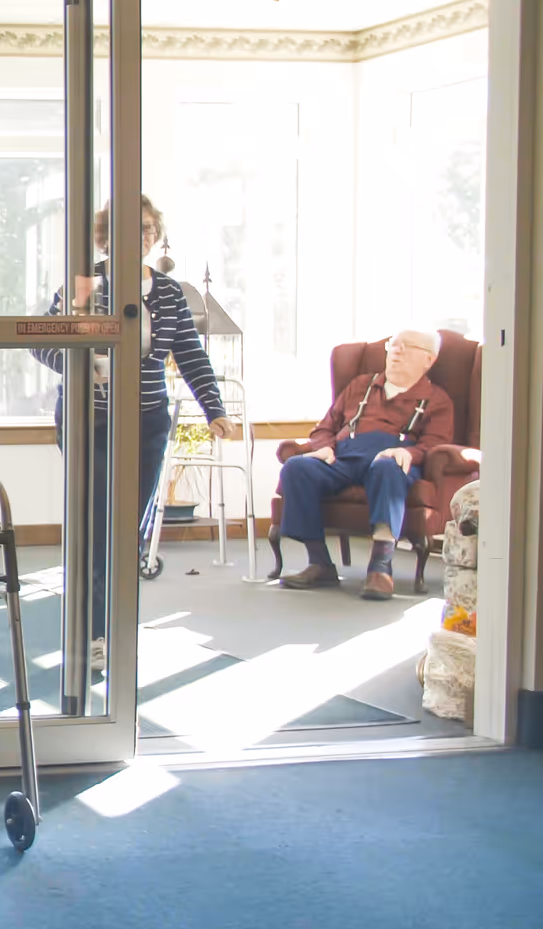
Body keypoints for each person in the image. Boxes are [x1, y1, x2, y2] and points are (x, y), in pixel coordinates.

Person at [34, 197, 239, 670]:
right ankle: (94, 633)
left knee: (130, 530)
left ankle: (116, 626)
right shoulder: (86, 283)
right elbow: (44, 342)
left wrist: (215, 409)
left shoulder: (167, 291)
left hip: (147, 424)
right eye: (132, 227)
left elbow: (190, 354)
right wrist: (85, 365)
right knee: (100, 526)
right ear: (109, 234)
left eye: (149, 228)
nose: (143, 235)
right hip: (93, 421)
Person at [275, 329, 453, 600]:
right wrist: (324, 448)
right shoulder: (361, 385)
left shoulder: (437, 399)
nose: (397, 351)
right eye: (394, 345)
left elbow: (435, 444)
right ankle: (319, 563)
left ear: (429, 359)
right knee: (296, 468)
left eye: (408, 347)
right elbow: (325, 426)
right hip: (344, 456)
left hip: (392, 461)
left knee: (387, 466)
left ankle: (381, 569)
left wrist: (412, 454)